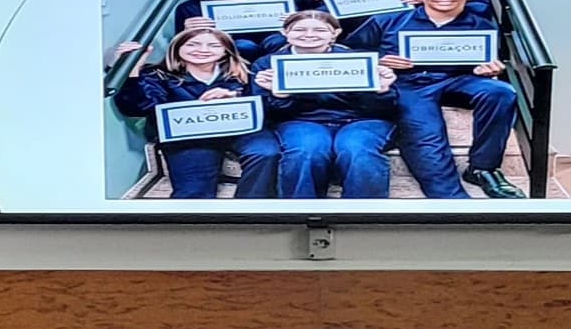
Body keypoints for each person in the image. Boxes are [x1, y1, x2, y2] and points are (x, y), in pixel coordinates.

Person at [370, 0, 521, 200]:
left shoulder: (482, 26)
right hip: (410, 85)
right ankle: (450, 198)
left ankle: (483, 168)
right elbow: (351, 51)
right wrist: (379, 60)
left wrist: (490, 70)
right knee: (427, 134)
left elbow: (490, 61)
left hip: (459, 80)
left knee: (501, 91)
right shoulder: (388, 20)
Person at [249, 10, 399, 200]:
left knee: (357, 149)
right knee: (306, 150)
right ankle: (301, 213)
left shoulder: (361, 60)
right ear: (285, 32)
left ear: (335, 33)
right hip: (301, 121)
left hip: (361, 120)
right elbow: (266, 115)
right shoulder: (266, 65)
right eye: (299, 29)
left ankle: (363, 217)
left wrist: (381, 91)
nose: (309, 35)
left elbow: (386, 109)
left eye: (319, 30)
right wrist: (281, 96)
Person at [108, 21, 267, 201]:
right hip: (188, 140)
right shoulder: (157, 76)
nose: (202, 50)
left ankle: (249, 209)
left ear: (226, 51)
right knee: (193, 192)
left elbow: (265, 110)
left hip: (238, 132)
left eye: (214, 45)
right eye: (192, 44)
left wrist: (235, 96)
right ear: (177, 48)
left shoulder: (243, 76)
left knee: (266, 152)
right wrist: (133, 73)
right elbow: (136, 108)